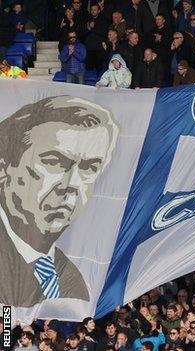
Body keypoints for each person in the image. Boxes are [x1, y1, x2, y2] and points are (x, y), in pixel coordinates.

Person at [0, 96, 119, 307]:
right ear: (5, 167)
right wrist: (9, 337)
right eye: (54, 162)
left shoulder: (75, 283)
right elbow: (8, 316)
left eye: (89, 168)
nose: (71, 184)